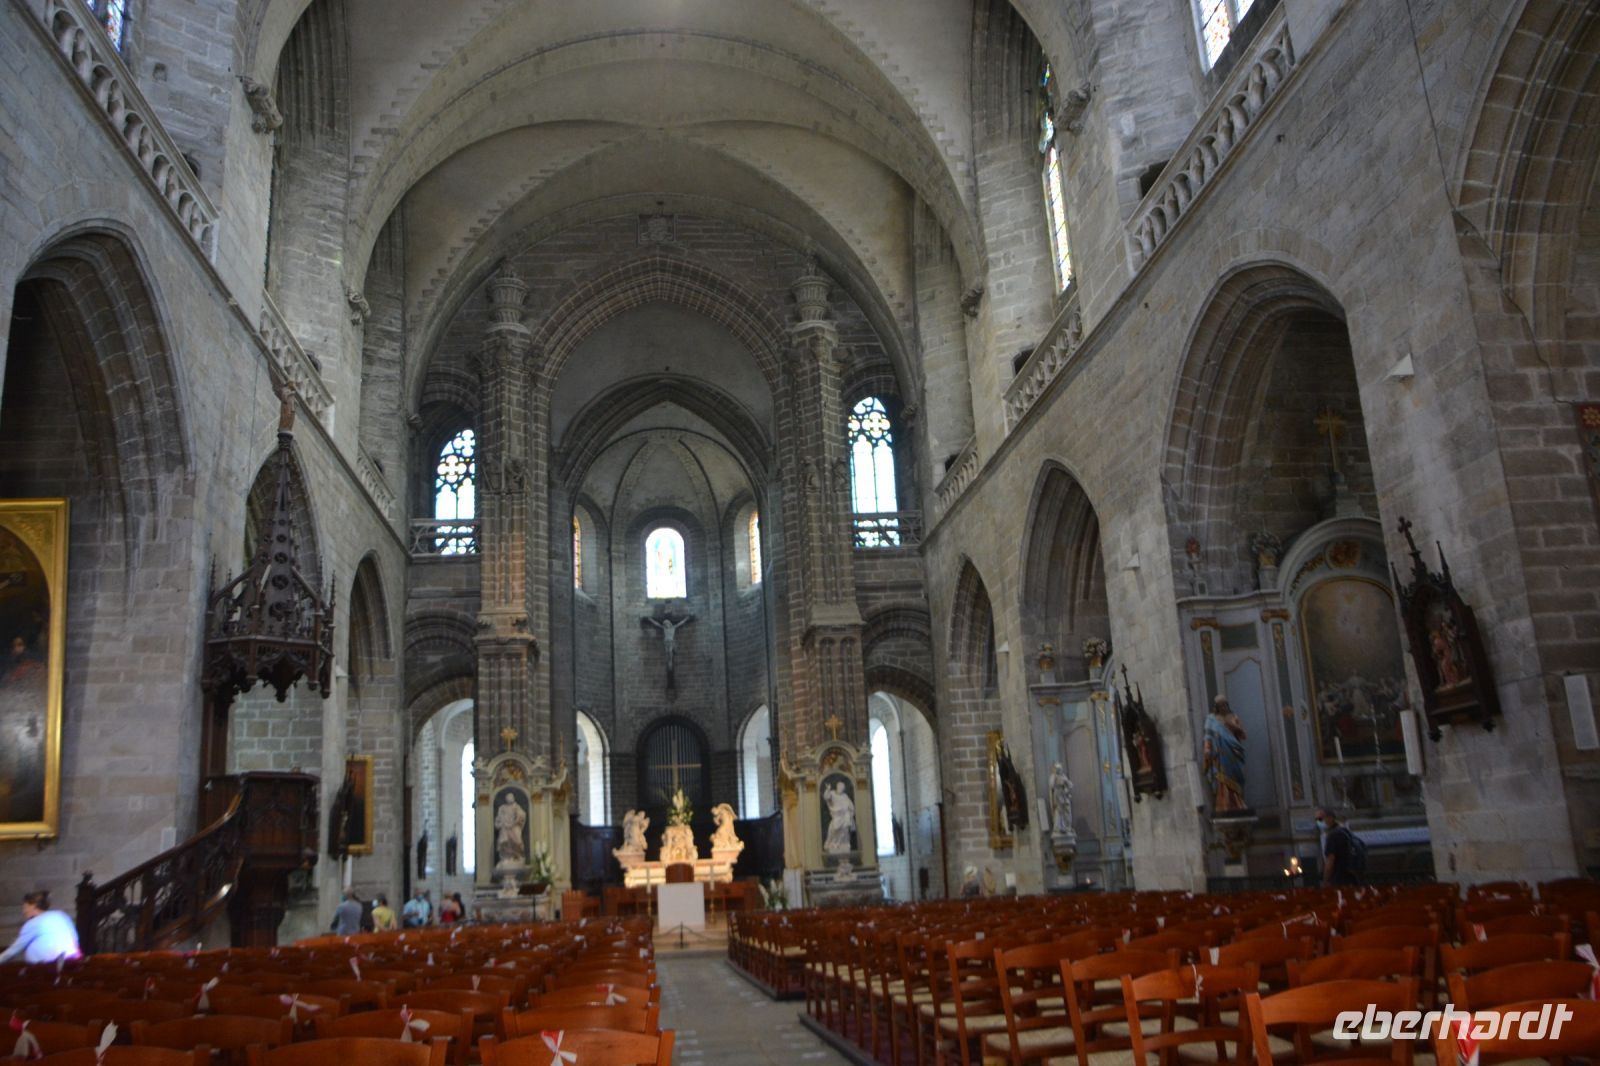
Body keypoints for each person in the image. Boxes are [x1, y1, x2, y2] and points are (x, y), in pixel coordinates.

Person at [0, 890, 80, 964]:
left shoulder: (33, 923)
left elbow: (14, 950)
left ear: (34, 906)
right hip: (73, 962)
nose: (24, 912)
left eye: (25, 907)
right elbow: (75, 939)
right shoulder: (61, 915)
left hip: (47, 969)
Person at [1316, 807, 1361, 886]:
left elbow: (1330, 861)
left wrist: (1325, 881)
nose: (1318, 822)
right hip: (1351, 877)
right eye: (1316, 819)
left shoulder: (1333, 835)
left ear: (1330, 818)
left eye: (1320, 819)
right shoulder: (1344, 831)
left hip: (1339, 879)